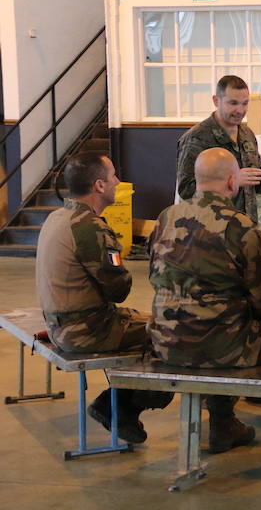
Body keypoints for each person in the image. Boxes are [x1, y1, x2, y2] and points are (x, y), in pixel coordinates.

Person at [149, 148, 261, 462]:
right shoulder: (241, 227)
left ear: (197, 180)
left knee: (221, 325)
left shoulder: (166, 217)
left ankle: (223, 425)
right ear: (233, 182)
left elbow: (154, 275)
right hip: (220, 345)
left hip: (166, 341)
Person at [35, 152, 172, 443]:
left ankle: (119, 402)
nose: (118, 182)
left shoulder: (58, 216)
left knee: (151, 321)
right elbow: (119, 290)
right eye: (113, 177)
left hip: (64, 324)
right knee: (173, 333)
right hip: (85, 331)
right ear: (99, 185)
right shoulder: (90, 228)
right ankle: (119, 405)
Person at [175, 74, 261, 222]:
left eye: (245, 104)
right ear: (216, 101)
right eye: (233, 103)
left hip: (245, 228)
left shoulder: (247, 134)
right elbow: (186, 190)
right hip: (210, 230)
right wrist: (231, 181)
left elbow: (253, 184)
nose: (240, 110)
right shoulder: (196, 138)